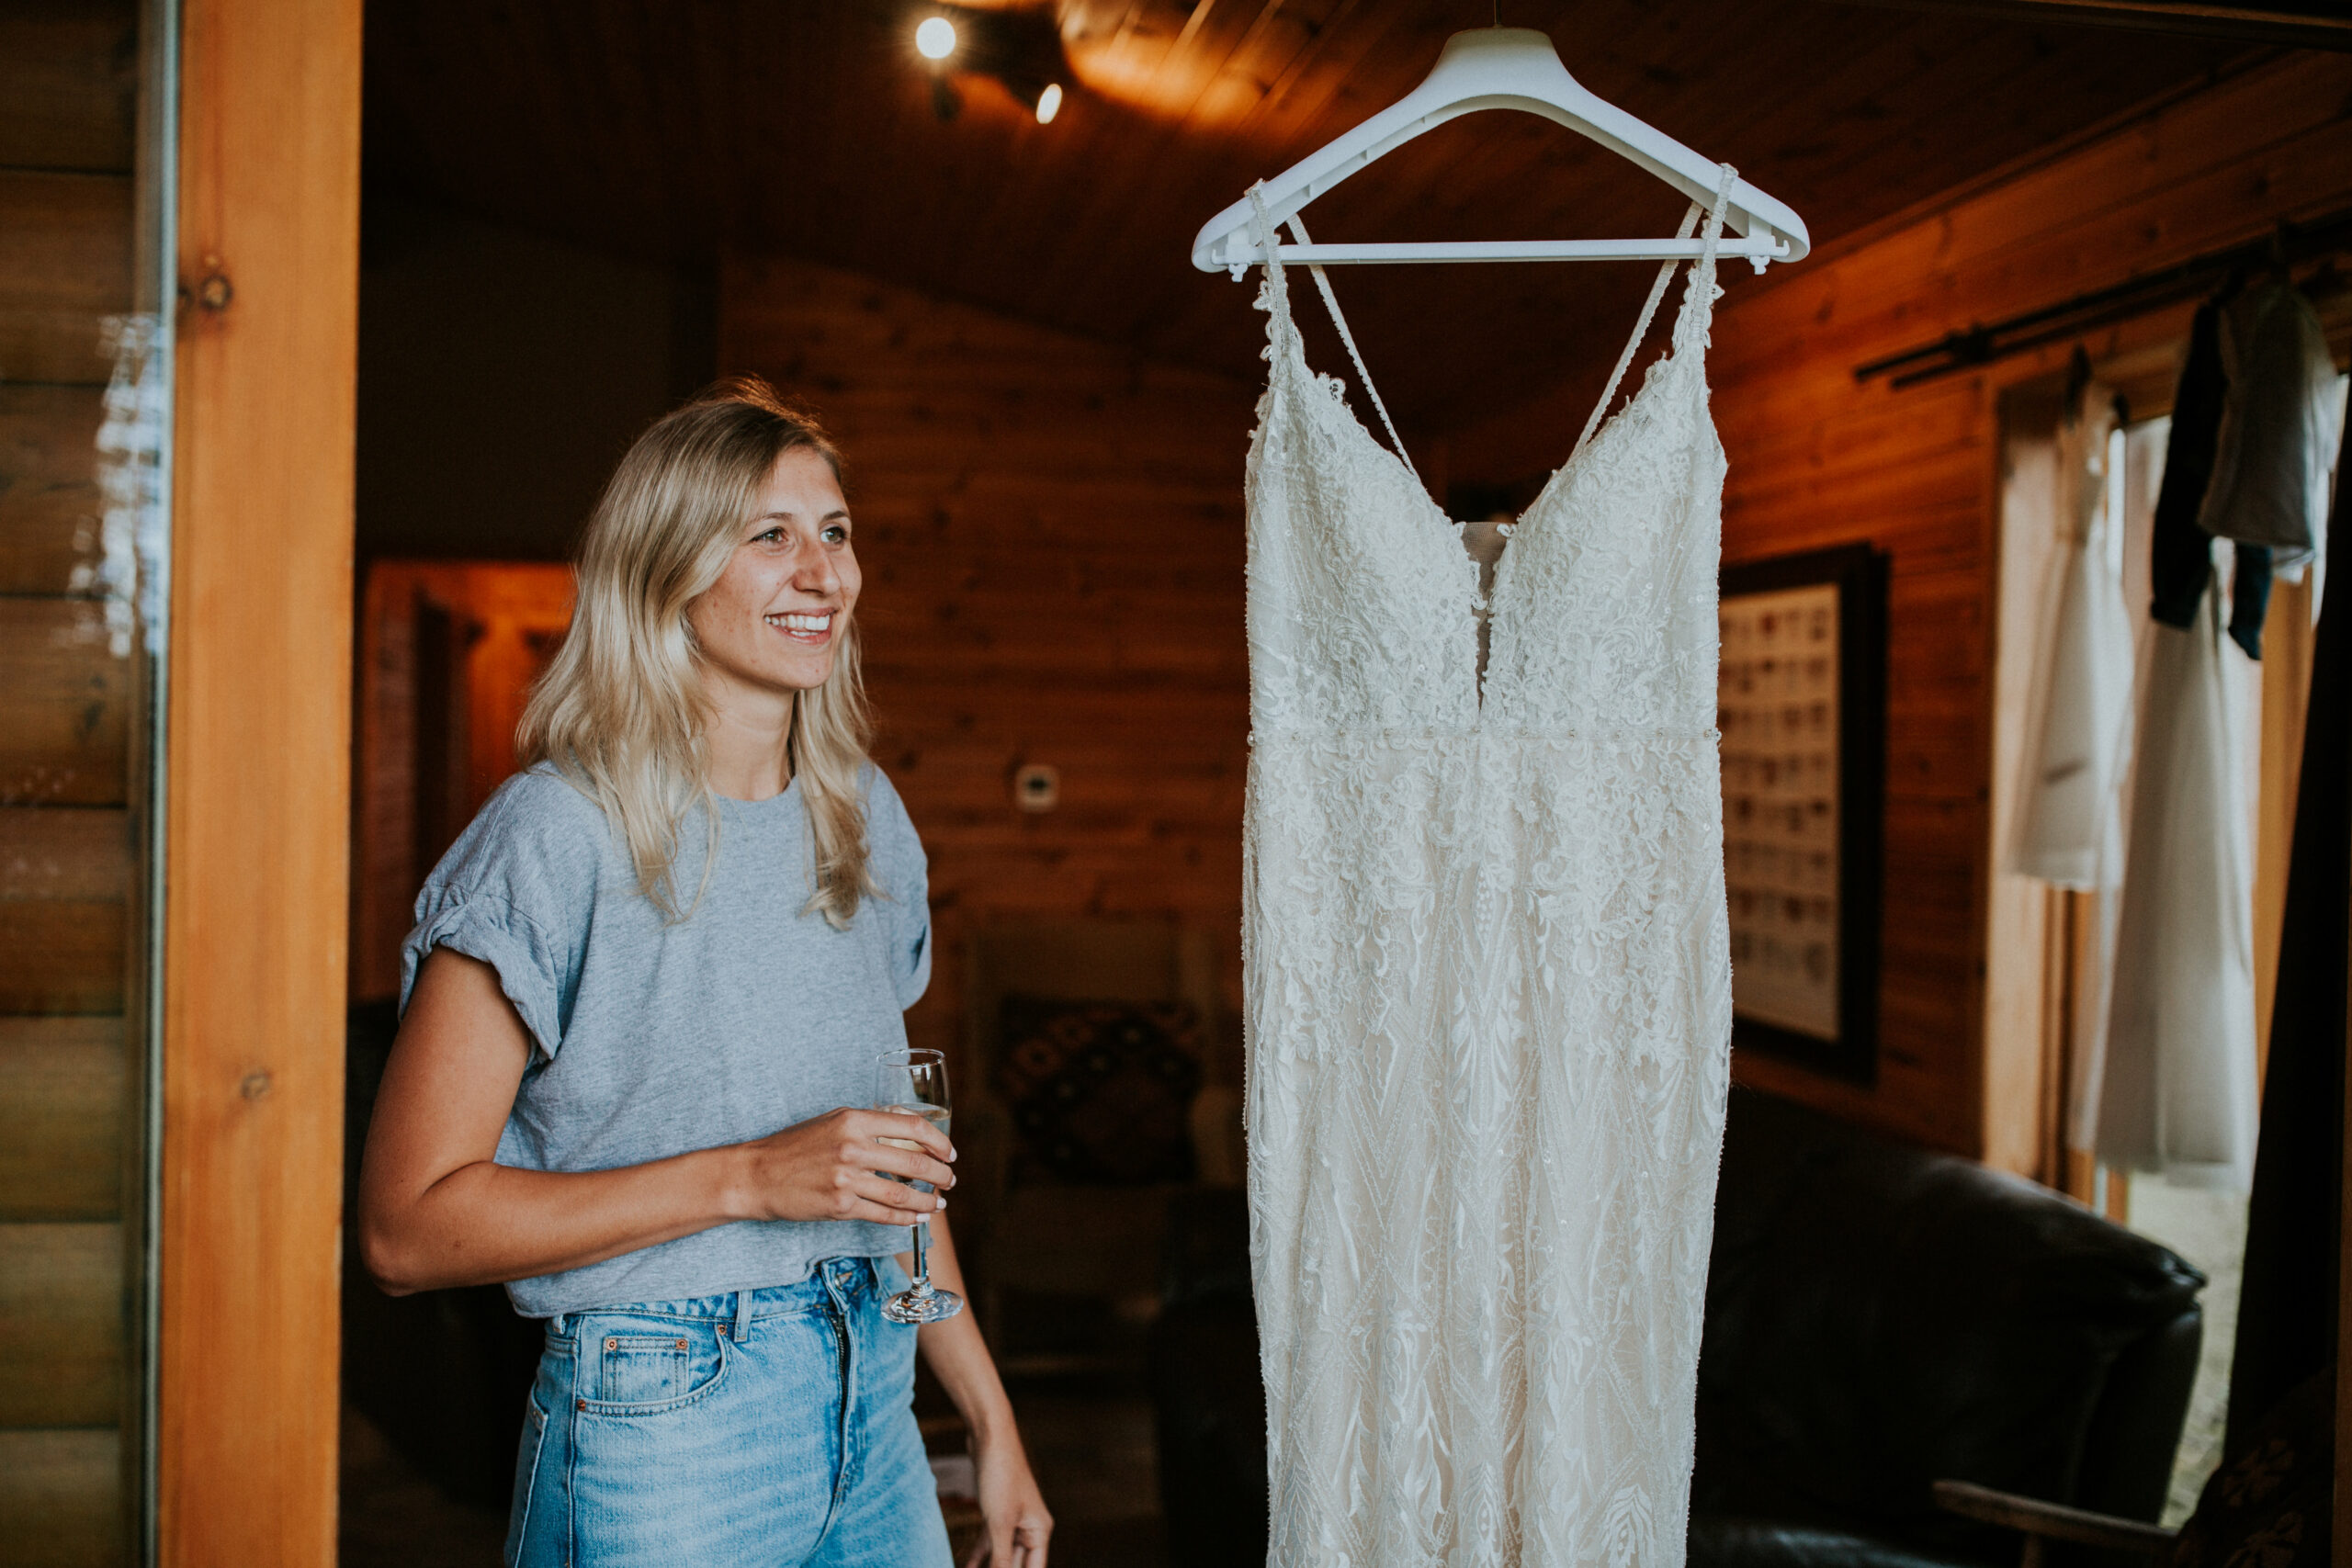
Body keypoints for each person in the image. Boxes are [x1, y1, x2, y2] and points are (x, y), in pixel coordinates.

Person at [357, 379, 1052, 1568]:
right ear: (664, 569)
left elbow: (893, 1169)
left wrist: (988, 1417)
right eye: (768, 534)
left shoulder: (866, 819)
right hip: (665, 1412)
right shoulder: (553, 837)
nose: (822, 570)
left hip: (875, 1404)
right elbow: (407, 1232)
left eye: (834, 531)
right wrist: (749, 1180)